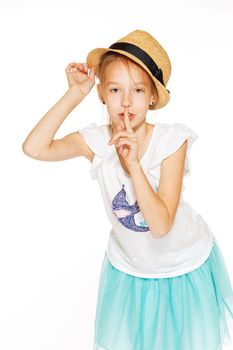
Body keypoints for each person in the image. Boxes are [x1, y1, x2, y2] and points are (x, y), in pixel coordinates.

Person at [22, 30, 233, 350]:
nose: (125, 101)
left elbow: (161, 225)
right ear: (102, 94)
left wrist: (134, 165)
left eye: (136, 90)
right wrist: (74, 95)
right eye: (115, 89)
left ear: (151, 96)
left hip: (182, 265)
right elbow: (34, 148)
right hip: (130, 269)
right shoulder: (96, 141)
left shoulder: (171, 141)